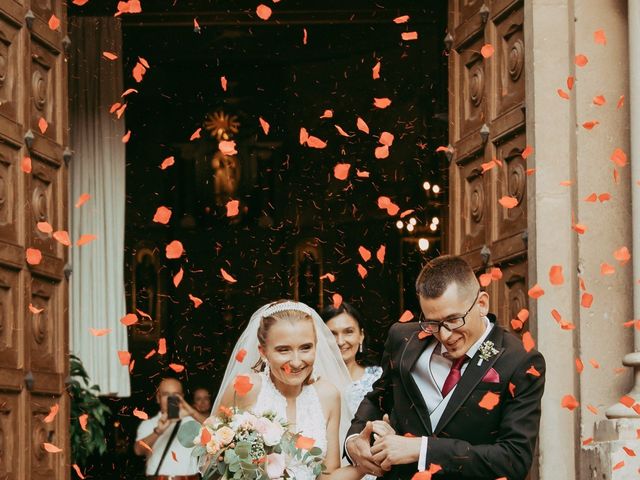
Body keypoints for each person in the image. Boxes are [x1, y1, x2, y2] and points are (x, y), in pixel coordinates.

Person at [345, 255, 546, 480]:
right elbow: (378, 398)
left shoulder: (520, 362)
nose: (445, 335)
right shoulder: (402, 339)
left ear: (481, 304)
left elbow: (514, 459)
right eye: (433, 323)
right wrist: (353, 440)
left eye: (454, 320)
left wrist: (421, 450)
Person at [215, 300, 384, 479]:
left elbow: (326, 475)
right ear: (263, 351)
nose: (296, 362)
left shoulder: (328, 395)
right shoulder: (245, 387)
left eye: (305, 348)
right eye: (283, 350)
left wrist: (363, 467)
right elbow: (213, 459)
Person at [134, 377, 203, 479]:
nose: (171, 399)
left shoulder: (192, 422)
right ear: (158, 398)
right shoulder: (148, 424)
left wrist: (193, 412)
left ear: (182, 397)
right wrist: (158, 431)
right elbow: (138, 451)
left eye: (176, 395)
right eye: (166, 394)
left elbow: (215, 429)